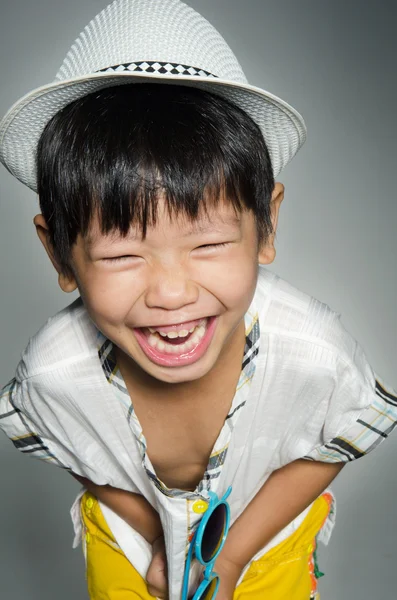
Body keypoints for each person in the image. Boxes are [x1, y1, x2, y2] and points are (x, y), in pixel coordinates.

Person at [0, 1, 396, 599]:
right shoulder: (55, 373)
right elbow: (75, 446)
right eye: (120, 255)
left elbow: (332, 443)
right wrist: (157, 538)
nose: (172, 292)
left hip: (268, 533)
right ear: (59, 254)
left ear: (265, 227)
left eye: (208, 242)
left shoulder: (314, 354)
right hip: (131, 535)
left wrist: (232, 556)